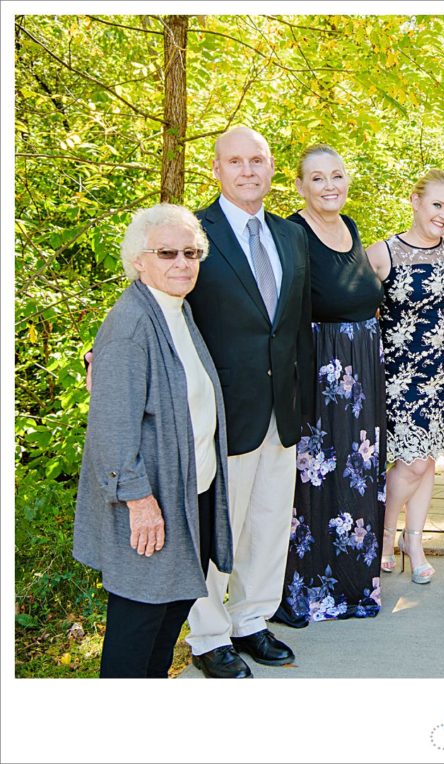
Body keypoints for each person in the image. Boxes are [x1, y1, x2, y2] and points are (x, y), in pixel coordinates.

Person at [74, 204, 232, 678]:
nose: (182, 262)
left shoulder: (176, 311)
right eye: (167, 253)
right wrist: (138, 501)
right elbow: (112, 427)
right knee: (138, 627)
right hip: (151, 504)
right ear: (139, 261)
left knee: (170, 616)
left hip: (190, 494)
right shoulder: (132, 326)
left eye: (191, 252)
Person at [185, 126, 313, 678]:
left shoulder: (290, 236)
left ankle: (251, 620)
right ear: (216, 169)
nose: (247, 170)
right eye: (235, 161)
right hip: (220, 411)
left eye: (257, 160)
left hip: (280, 409)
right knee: (219, 525)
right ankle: (209, 635)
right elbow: (160, 300)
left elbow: (296, 325)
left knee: (266, 521)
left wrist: (301, 401)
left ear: (270, 167)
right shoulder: (194, 232)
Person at [271, 145, 386, 628]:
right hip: (321, 372)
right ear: (299, 186)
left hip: (363, 368)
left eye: (336, 175)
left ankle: (353, 584)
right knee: (312, 480)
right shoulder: (290, 233)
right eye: (317, 179)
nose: (329, 186)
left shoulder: (352, 227)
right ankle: (303, 592)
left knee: (357, 475)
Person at [367, 170, 444, 584]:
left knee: (427, 464)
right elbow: (353, 308)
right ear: (414, 201)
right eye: (436, 205)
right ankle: (385, 535)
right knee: (410, 463)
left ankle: (415, 541)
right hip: (402, 376)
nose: (443, 215)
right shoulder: (382, 253)